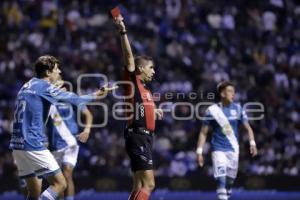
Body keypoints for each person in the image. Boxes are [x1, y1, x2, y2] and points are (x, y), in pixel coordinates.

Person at [10, 55, 116, 200]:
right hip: (33, 143)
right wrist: (97, 94)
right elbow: (76, 99)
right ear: (48, 72)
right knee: (60, 184)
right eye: (56, 69)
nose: (59, 72)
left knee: (33, 193)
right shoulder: (45, 87)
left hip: (17, 145)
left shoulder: (26, 85)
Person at [113, 15, 163, 200]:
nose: (154, 71)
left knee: (139, 185)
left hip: (145, 137)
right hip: (138, 135)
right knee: (149, 184)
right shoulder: (132, 82)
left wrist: (154, 110)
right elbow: (128, 57)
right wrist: (123, 31)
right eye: (151, 67)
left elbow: (144, 107)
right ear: (140, 69)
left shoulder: (146, 91)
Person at [196, 81, 258, 200]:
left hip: (233, 150)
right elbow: (203, 133)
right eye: (230, 91)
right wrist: (199, 152)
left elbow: (248, 128)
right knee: (221, 178)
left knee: (229, 182)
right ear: (222, 94)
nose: (233, 94)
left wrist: (252, 143)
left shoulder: (238, 109)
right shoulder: (212, 111)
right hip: (218, 149)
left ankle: (226, 194)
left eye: (234, 92)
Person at [46, 79, 93, 200]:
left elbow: (88, 114)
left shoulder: (70, 97)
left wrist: (86, 130)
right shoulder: (45, 101)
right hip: (54, 144)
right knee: (58, 181)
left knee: (67, 173)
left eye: (60, 83)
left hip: (70, 142)